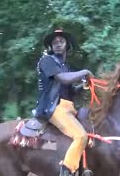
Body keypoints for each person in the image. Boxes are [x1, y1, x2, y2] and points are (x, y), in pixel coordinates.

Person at [33, 29, 93, 176]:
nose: (58, 44)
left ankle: (84, 167)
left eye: (61, 41)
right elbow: (63, 79)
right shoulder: (46, 61)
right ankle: (66, 171)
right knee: (81, 136)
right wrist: (84, 72)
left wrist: (85, 85)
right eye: (55, 42)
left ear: (67, 45)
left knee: (92, 130)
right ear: (51, 47)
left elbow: (70, 91)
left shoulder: (66, 67)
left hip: (69, 107)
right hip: (54, 108)